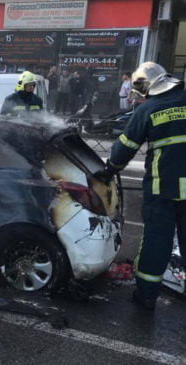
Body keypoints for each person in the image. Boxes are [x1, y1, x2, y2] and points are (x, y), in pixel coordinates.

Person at [95, 61, 186, 311]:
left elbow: (124, 148)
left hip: (163, 190)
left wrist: (109, 170)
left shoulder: (149, 110)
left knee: (157, 243)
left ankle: (146, 297)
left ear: (145, 87)